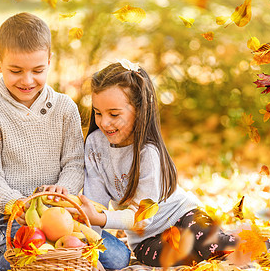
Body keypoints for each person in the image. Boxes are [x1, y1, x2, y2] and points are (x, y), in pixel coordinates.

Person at [74, 60, 242, 267]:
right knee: (178, 257)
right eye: (98, 113)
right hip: (146, 238)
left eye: (114, 114)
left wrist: (102, 218)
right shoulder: (94, 144)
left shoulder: (148, 152)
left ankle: (264, 244)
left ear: (139, 110)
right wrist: (91, 250)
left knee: (211, 246)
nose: (104, 122)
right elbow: (95, 204)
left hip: (182, 216)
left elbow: (142, 217)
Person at [0, 12, 84, 271]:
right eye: (16, 70)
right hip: (5, 214)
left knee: (114, 257)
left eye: (38, 70)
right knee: (22, 261)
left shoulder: (65, 108)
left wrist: (64, 190)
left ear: (49, 61)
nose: (27, 80)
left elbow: (76, 163)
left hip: (54, 211)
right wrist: (13, 202)